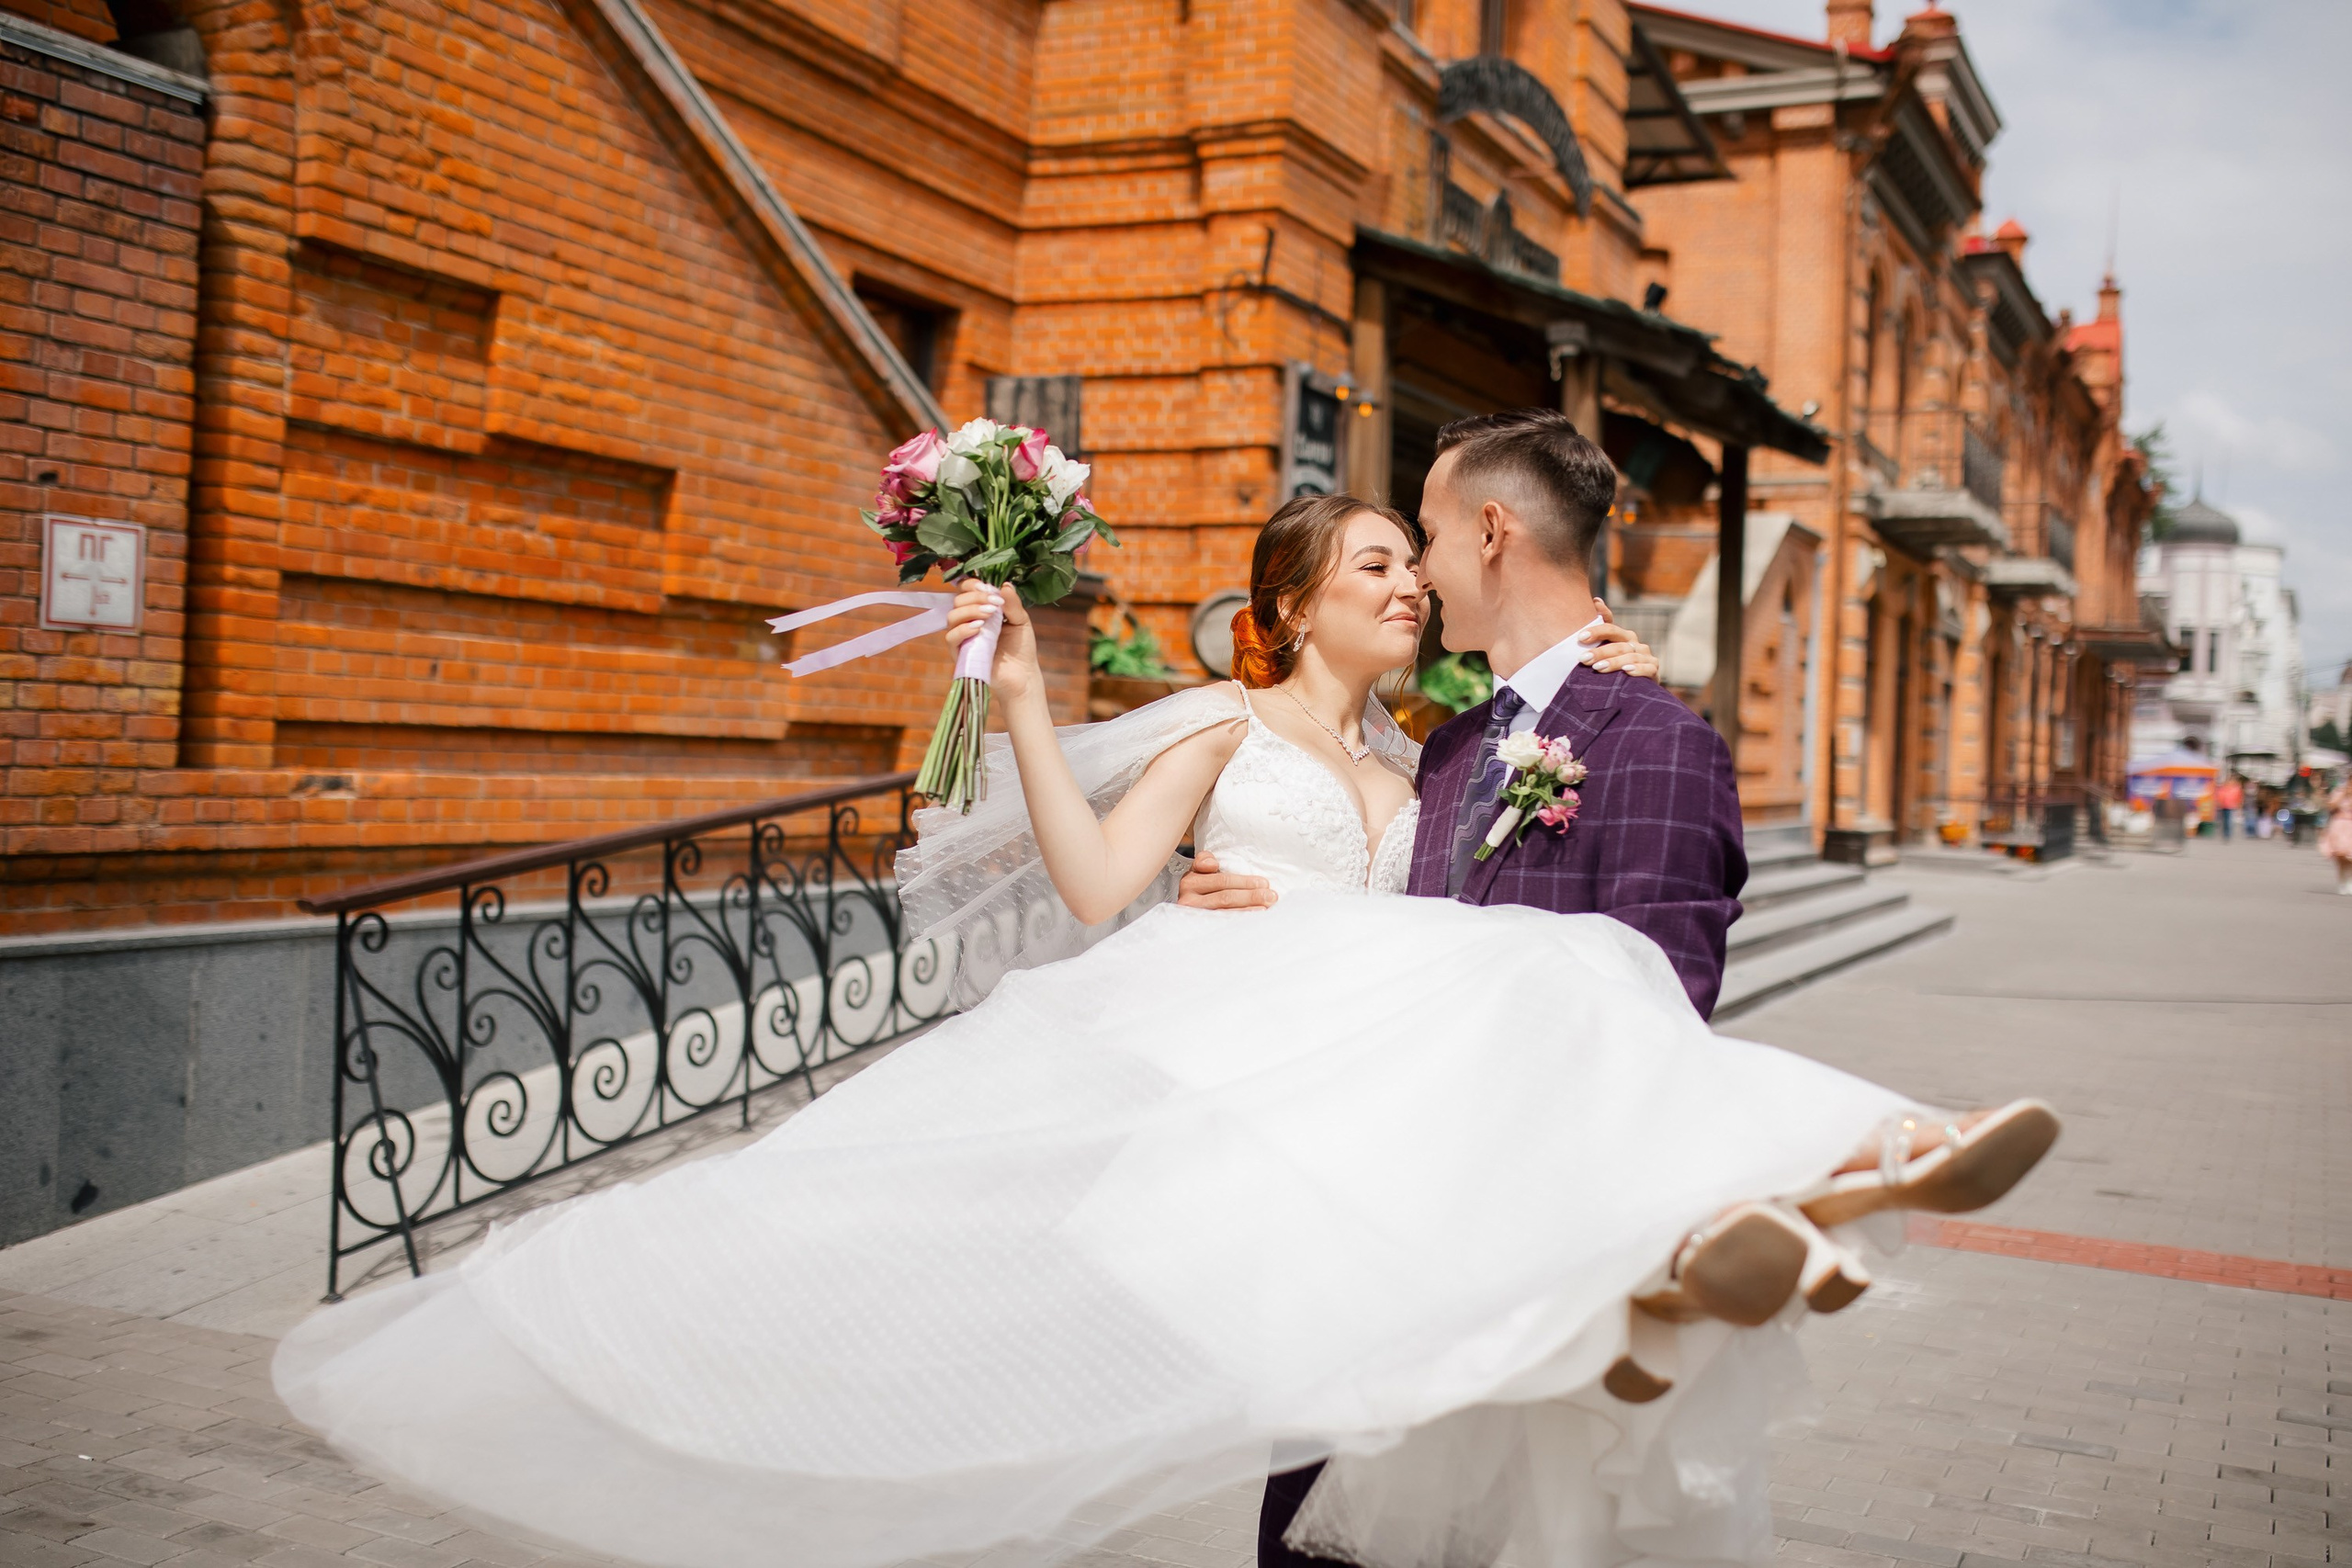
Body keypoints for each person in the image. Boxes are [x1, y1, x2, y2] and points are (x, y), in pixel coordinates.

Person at [274, 417, 2059, 1568]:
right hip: (1317, 1139)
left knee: (1578, 987)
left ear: (1487, 536)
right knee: (1317, 1483)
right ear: (1283, 610)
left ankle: (1792, 1192)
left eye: (1415, 542)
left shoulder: (1513, 737)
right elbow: (1106, 881)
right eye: (1374, 559)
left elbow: (1656, 978)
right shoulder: (1379, 749)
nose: (1409, 572)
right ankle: (1784, 1197)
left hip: (1467, 1129)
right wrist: (1088, 753)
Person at [2323, 778, 2352, 893]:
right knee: (2341, 856)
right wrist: (2344, 794)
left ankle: (2350, 881)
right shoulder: (2339, 792)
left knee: (2350, 857)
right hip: (2339, 825)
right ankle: (2342, 881)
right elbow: (2331, 806)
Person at [2215, 775, 2243, 840]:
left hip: (2231, 806)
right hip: (2223, 806)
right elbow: (2219, 796)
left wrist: (2239, 807)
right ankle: (2225, 833)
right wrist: (2219, 803)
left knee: (2229, 821)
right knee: (2224, 821)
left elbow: (2239, 798)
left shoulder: (2236, 789)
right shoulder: (2223, 788)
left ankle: (2228, 834)